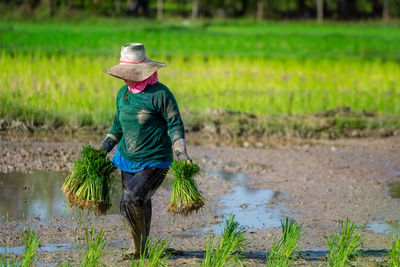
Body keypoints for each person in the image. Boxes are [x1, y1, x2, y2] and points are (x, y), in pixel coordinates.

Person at [100, 43, 191, 258]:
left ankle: (138, 249)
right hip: (127, 158)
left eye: (128, 74)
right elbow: (117, 127)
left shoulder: (160, 94)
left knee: (129, 200)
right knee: (140, 202)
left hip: (155, 160)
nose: (124, 78)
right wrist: (101, 150)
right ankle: (140, 249)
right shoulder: (123, 94)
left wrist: (181, 153)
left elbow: (175, 124)